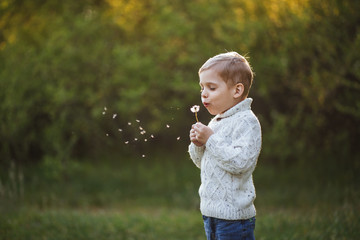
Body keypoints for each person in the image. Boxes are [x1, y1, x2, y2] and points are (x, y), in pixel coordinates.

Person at [188, 52, 262, 240]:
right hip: (211, 213)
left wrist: (210, 140)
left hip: (234, 218)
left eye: (211, 88)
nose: (204, 93)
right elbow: (202, 163)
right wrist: (198, 145)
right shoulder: (216, 122)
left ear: (237, 91)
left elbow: (240, 164)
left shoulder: (247, 122)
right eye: (202, 87)